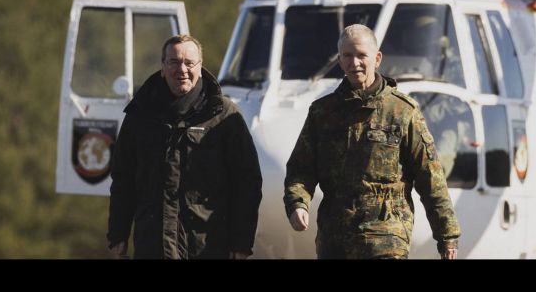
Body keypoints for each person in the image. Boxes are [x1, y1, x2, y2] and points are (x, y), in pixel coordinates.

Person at [284, 24, 460, 259]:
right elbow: (300, 169)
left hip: (385, 238)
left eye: (361, 55)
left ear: (377, 59)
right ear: (339, 60)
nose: (354, 62)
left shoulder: (403, 111)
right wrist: (298, 204)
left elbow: (431, 177)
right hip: (335, 240)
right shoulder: (322, 113)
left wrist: (447, 236)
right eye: (347, 56)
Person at [107, 34, 262, 259]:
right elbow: (123, 180)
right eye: (174, 62)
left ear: (200, 67)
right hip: (152, 247)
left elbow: (247, 182)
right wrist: (118, 234)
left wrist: (241, 243)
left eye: (189, 63)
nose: (182, 69)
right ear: (163, 67)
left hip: (207, 247)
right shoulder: (139, 115)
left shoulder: (225, 117)